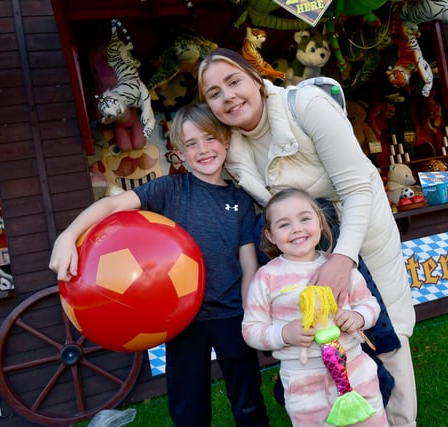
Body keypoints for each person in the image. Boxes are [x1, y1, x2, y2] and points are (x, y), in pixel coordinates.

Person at [198, 47, 417, 426]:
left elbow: (358, 188)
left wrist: (342, 260)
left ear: (256, 77)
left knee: (383, 330)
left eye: (233, 81)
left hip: (359, 230)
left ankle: (398, 419)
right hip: (303, 247)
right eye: (214, 93)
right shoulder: (230, 147)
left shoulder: (307, 106)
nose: (227, 96)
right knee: (324, 334)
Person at [49, 103, 269, 427]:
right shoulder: (169, 189)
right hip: (180, 320)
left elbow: (248, 263)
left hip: (231, 313)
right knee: (188, 406)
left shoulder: (240, 199)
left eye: (209, 139)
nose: (203, 150)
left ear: (225, 141)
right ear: (179, 152)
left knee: (248, 399)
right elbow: (111, 204)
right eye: (191, 144)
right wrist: (68, 237)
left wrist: (251, 310)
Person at [242, 188, 388, 427]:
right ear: (270, 235)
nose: (296, 229)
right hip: (303, 380)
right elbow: (251, 329)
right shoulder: (266, 277)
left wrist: (358, 317)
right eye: (284, 224)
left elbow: (369, 304)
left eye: (305, 219)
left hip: (355, 369)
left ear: (320, 223)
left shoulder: (338, 267)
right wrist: (284, 334)